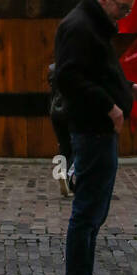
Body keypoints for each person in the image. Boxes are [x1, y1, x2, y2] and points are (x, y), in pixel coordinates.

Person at [54, 0, 137, 275]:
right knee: (87, 213)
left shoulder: (93, 26)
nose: (124, 15)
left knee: (95, 212)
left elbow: (100, 72)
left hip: (99, 132)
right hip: (92, 131)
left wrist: (127, 90)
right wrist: (110, 106)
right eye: (122, 8)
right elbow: (69, 78)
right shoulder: (79, 26)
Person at [48, 61, 74, 196]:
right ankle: (65, 174)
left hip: (55, 112)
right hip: (71, 111)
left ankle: (62, 174)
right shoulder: (76, 66)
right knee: (77, 147)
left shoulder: (53, 68)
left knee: (64, 146)